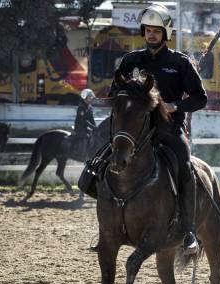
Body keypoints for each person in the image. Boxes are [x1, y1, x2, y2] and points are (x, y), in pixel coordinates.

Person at [91, 4, 207, 254]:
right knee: (98, 163)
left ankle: (188, 233)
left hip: (168, 131)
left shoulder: (179, 63)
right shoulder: (131, 60)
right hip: (133, 131)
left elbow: (200, 98)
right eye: (148, 30)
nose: (151, 35)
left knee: (185, 169)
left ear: (165, 33)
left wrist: (175, 106)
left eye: (156, 30)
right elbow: (115, 92)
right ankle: (105, 227)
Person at [73, 89, 97, 158]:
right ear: (85, 97)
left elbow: (91, 119)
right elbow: (84, 121)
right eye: (90, 97)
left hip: (86, 128)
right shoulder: (81, 107)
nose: (91, 98)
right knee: (85, 137)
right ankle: (83, 155)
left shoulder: (90, 107)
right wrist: (93, 127)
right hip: (79, 128)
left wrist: (96, 128)